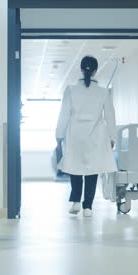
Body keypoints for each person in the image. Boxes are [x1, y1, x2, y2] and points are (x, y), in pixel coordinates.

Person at [55, 56, 117, 217]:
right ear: (96, 71)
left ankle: (76, 201)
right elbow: (110, 117)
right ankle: (88, 207)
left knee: (74, 167)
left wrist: (59, 135)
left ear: (81, 70)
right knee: (92, 170)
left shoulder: (70, 90)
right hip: (96, 136)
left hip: (74, 135)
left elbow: (64, 114)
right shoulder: (103, 92)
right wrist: (112, 137)